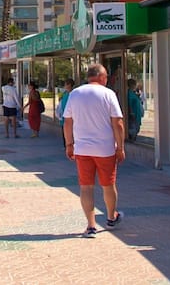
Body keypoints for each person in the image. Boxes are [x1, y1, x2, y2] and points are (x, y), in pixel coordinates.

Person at [63, 64, 125, 238]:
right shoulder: (108, 94)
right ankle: (111, 217)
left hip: (82, 149)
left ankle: (90, 226)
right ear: (102, 77)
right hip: (105, 149)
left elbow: (68, 121)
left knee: (86, 188)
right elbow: (118, 122)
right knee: (108, 185)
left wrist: (69, 144)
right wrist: (120, 147)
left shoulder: (74, 94)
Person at [57, 80, 74, 147]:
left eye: (66, 84)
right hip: (64, 116)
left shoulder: (73, 94)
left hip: (71, 117)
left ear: (69, 85)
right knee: (64, 131)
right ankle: (66, 145)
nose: (65, 86)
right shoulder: (65, 94)